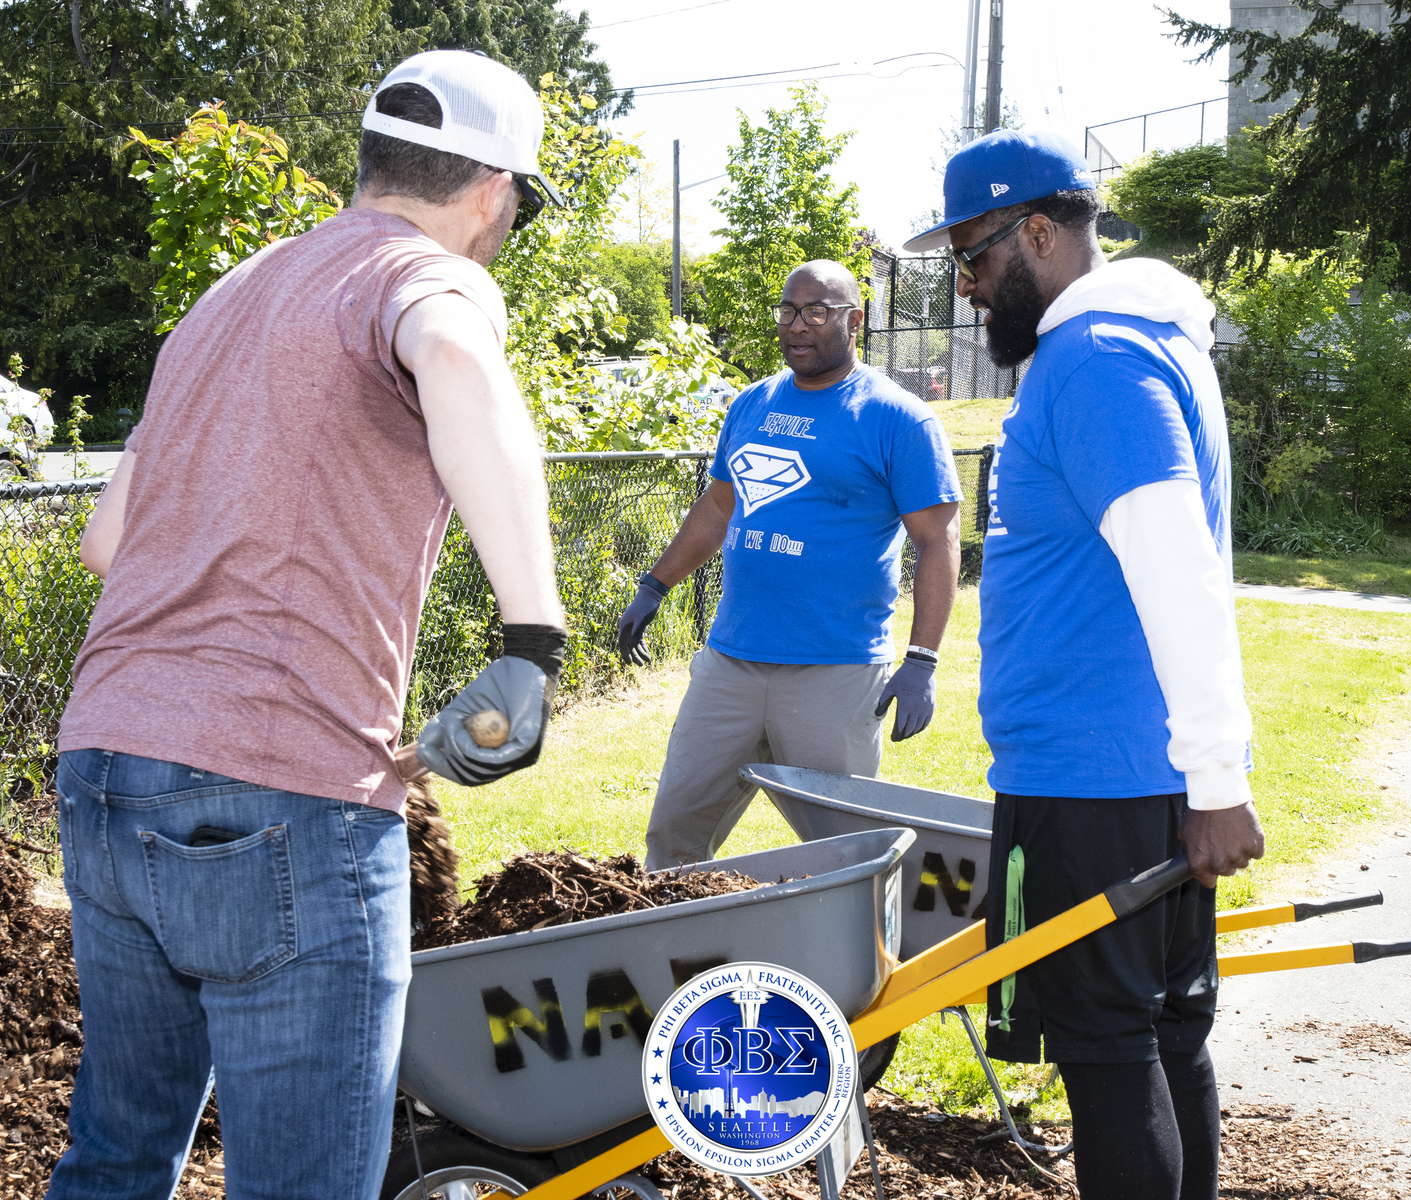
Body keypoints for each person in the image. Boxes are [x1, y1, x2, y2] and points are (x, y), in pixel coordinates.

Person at [49, 51, 568, 1200]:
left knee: (118, 1158)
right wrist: (534, 641)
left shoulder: (231, 294)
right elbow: (450, 350)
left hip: (103, 767)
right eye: (517, 212)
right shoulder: (424, 276)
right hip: (280, 791)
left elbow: (105, 541)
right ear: (492, 192)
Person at [904, 130, 1265, 1200]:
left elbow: (1177, 572)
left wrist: (1218, 783)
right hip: (1125, 770)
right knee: (1161, 1036)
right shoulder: (1129, 350)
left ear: (1042, 233)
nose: (967, 289)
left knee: (1112, 1053)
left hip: (1099, 780)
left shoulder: (1096, 363)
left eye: (972, 259)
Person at [617, 260, 963, 871]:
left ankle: (861, 965)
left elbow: (936, 540)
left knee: (846, 856)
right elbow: (719, 505)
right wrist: (654, 585)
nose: (798, 325)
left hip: (836, 669)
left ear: (855, 320)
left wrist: (923, 661)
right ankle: (671, 961)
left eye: (817, 311)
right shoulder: (752, 404)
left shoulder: (898, 417)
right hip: (731, 662)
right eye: (788, 310)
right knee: (673, 838)